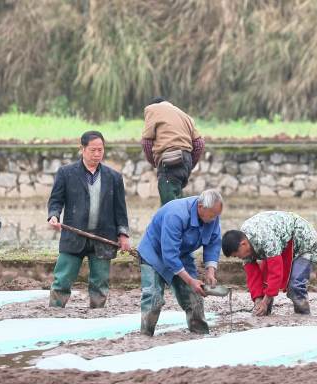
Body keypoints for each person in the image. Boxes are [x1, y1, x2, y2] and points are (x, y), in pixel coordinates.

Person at [47, 130, 130, 309]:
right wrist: (54, 215)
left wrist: (123, 234)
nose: (97, 154)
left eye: (100, 150)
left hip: (103, 236)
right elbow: (56, 200)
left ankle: (98, 310)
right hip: (74, 234)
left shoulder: (113, 177)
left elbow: (120, 209)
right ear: (82, 149)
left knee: (100, 281)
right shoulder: (66, 173)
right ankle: (55, 309)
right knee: (63, 277)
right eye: (93, 150)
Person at [137, 189, 223, 336]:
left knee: (194, 296)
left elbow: (213, 242)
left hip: (182, 254)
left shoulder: (212, 216)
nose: (215, 219)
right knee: (154, 297)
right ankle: (146, 335)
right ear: (201, 207)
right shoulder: (176, 214)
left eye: (217, 215)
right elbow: (169, 255)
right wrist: (190, 280)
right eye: (213, 215)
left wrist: (210, 271)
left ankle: (199, 333)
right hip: (154, 253)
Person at [222, 211, 317, 316]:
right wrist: (258, 300)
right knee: (265, 285)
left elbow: (276, 272)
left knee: (295, 284)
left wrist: (265, 301)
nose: (238, 258)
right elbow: (253, 276)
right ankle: (264, 313)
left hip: (305, 243)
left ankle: (303, 315)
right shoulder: (244, 243)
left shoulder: (265, 237)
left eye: (236, 255)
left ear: (243, 244)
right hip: (283, 245)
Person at [141, 97, 205, 205]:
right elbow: (199, 144)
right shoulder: (184, 115)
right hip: (186, 160)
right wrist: (188, 164)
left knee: (169, 207)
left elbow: (146, 142)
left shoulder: (152, 109)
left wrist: (155, 163)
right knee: (178, 202)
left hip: (169, 160)